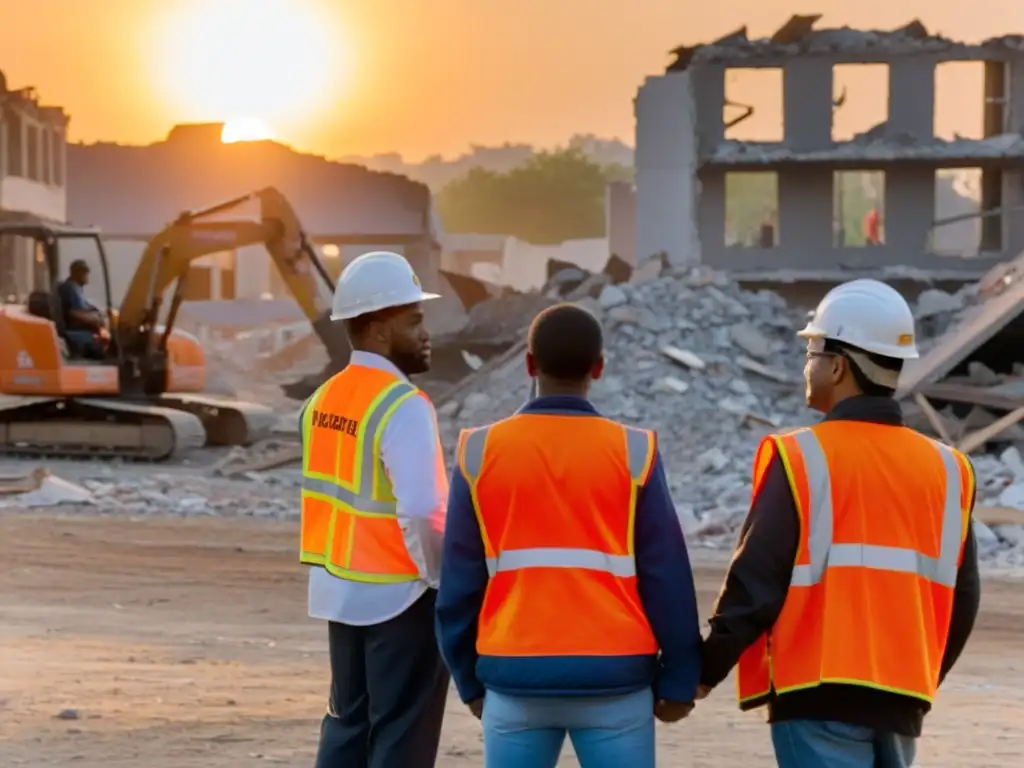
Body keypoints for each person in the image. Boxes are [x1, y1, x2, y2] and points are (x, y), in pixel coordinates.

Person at [698, 279, 981, 768]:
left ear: (837, 365)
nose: (806, 365)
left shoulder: (801, 457)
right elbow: (964, 597)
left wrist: (702, 671)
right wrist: (918, 683)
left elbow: (754, 584)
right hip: (901, 701)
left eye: (811, 350)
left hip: (817, 696)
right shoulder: (949, 469)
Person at [436, 303, 702, 768]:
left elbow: (458, 582)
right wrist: (680, 680)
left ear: (529, 364)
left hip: (513, 678)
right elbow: (667, 576)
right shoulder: (633, 451)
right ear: (598, 368)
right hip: (615, 682)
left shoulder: (478, 452)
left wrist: (470, 681)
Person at [299, 251, 450, 768]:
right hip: (399, 596)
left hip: (339, 590)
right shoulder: (401, 404)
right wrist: (439, 580)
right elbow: (424, 508)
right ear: (381, 329)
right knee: (401, 738)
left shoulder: (322, 399)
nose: (426, 333)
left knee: (346, 729)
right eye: (415, 321)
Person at [57, 259, 107, 359]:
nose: (87, 276)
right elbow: (75, 312)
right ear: (78, 273)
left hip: (77, 326)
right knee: (103, 341)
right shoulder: (71, 288)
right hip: (74, 329)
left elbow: (86, 306)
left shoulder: (76, 288)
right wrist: (96, 320)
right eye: (85, 273)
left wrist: (99, 313)